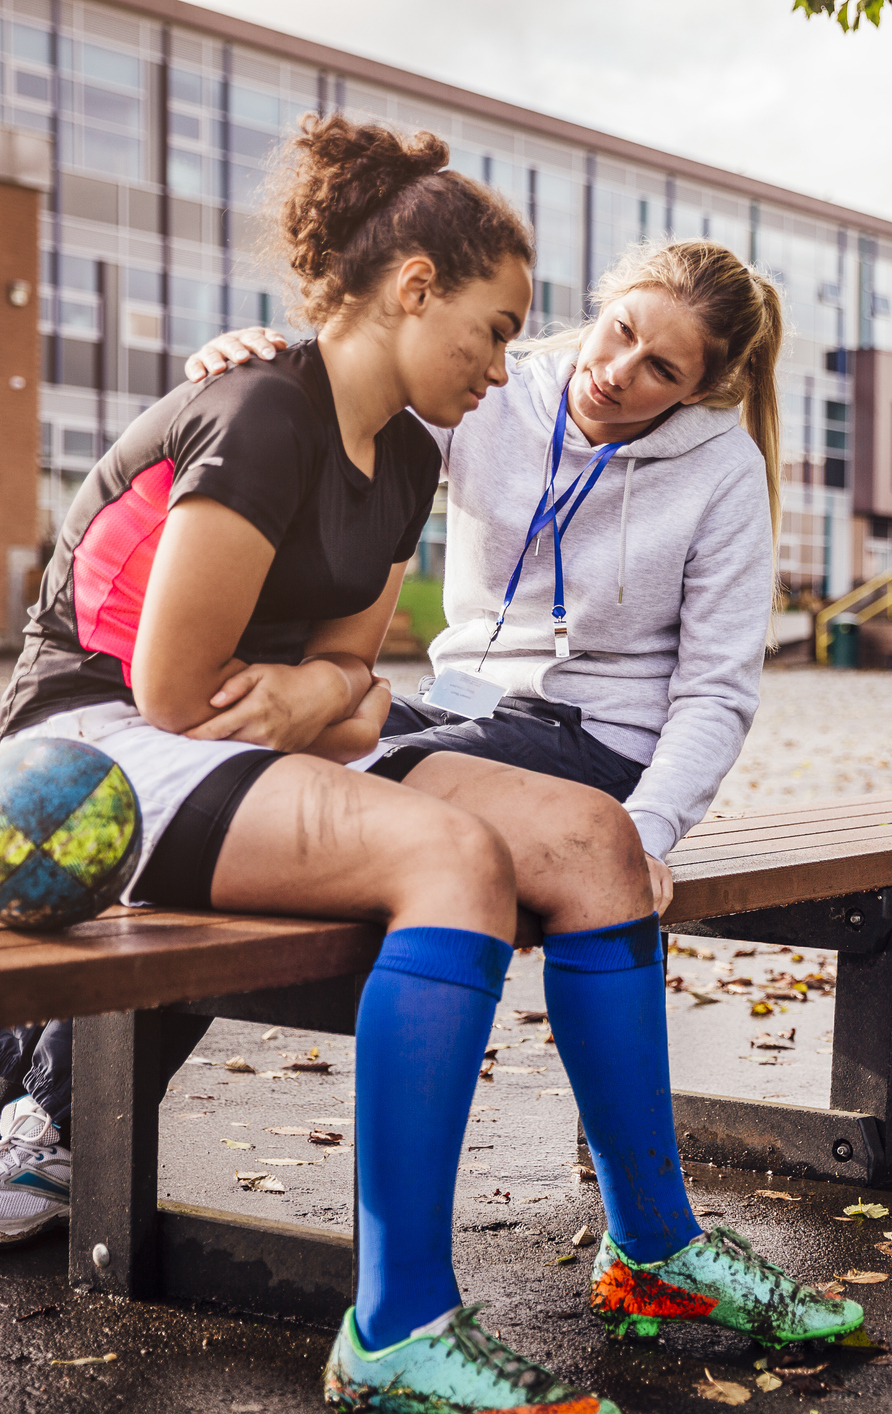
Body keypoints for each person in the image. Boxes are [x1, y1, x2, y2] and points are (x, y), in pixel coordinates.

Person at [0, 115, 851, 1414]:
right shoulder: (267, 408)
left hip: (243, 731)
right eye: (499, 331)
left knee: (596, 844)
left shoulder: (417, 458)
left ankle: (656, 1249)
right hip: (98, 746)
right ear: (416, 291)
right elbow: (183, 693)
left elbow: (354, 692)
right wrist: (332, 694)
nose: (519, 366)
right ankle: (395, 1322)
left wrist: (329, 692)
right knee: (450, 854)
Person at [183, 243, 830, 1346]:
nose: (620, 371)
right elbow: (365, 397)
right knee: (262, 750)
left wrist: (646, 827)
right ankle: (31, 1110)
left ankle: (641, 1246)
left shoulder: (720, 471)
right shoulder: (497, 387)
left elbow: (717, 692)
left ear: (703, 389)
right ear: (602, 304)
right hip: (458, 708)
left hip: (593, 745)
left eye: (662, 370)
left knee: (281, 779)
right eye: (619, 330)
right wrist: (268, 366)